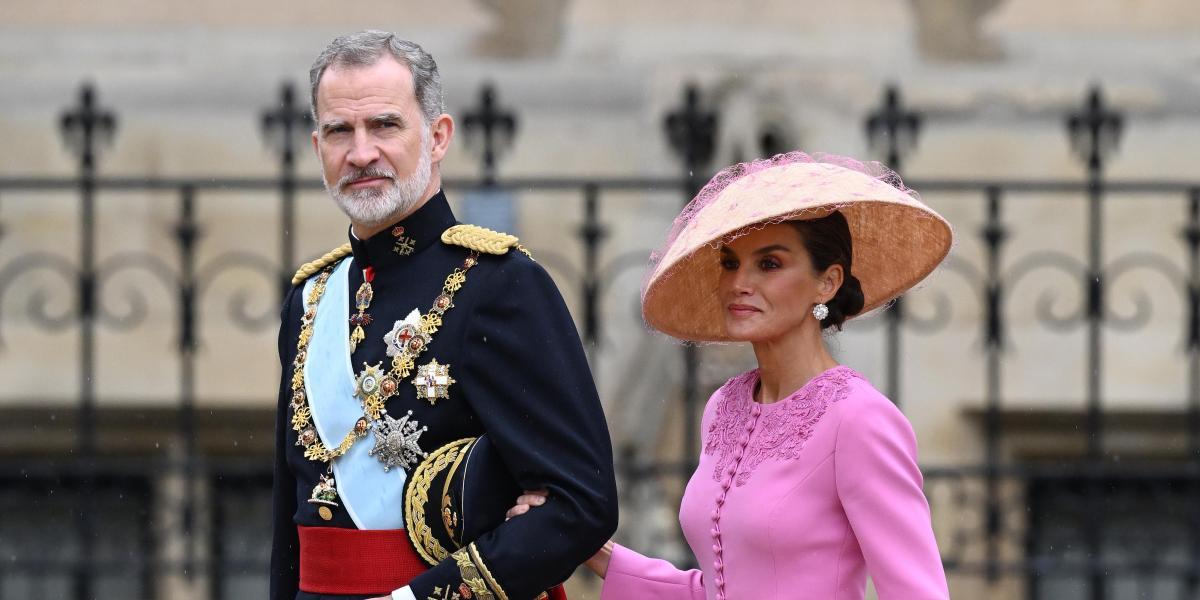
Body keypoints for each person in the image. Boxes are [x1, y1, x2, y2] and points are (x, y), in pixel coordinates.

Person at [508, 152, 953, 599]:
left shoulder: (860, 419)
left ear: (827, 282)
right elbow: (718, 590)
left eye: (770, 263)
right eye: (729, 262)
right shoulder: (725, 406)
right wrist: (594, 552)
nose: (739, 281)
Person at [270, 30, 618, 600]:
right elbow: (292, 518)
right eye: (340, 131)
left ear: (437, 137)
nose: (361, 154)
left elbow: (582, 503)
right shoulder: (311, 297)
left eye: (384, 125)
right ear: (317, 149)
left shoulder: (500, 284)